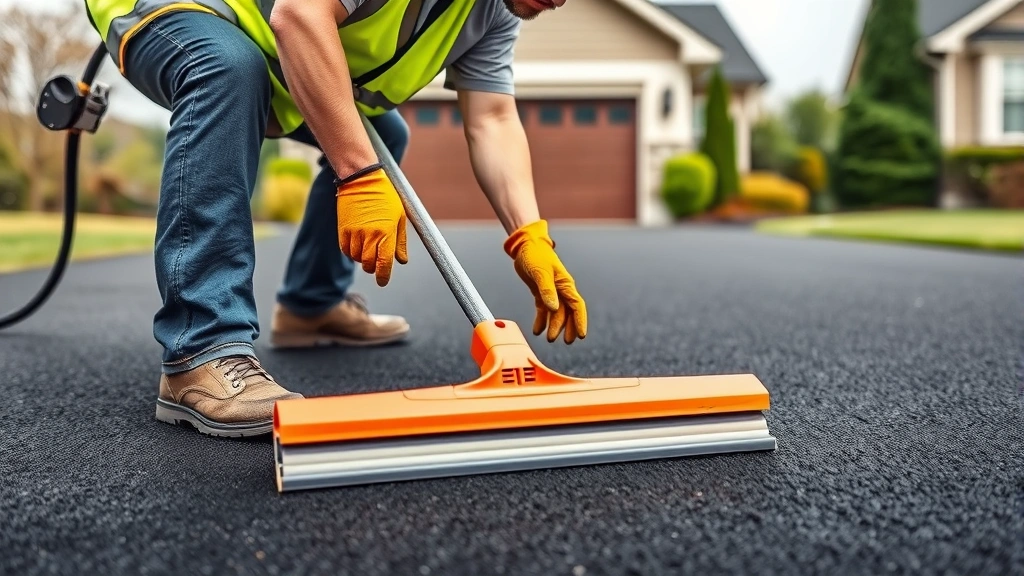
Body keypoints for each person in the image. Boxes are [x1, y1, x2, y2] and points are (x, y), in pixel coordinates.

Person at [81, 0, 587, 437]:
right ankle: (200, 348)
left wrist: (529, 235)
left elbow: (493, 118)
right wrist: (359, 175)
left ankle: (311, 304)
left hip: (273, 41)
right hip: (190, 10)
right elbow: (301, 14)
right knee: (226, 67)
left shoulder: (495, 12)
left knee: (383, 135)